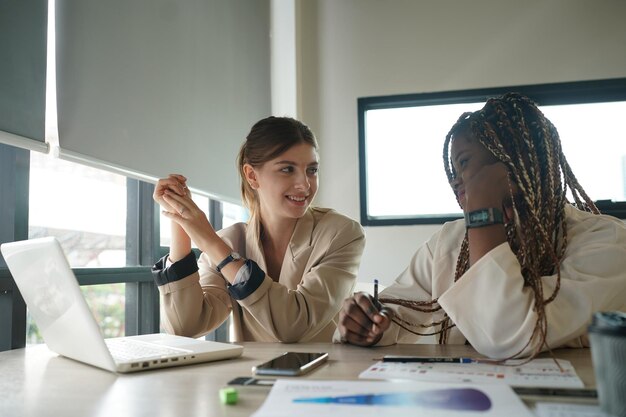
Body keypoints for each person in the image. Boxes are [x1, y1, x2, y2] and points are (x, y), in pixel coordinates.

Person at [336, 93, 626, 359]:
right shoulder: (447, 243)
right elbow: (400, 316)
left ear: (512, 158)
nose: (455, 179)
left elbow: (508, 336)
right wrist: (370, 324)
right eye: (452, 169)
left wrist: (484, 210)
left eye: (463, 162)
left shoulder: (607, 242)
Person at [152, 116, 365, 342]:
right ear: (252, 175)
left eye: (312, 170)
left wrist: (210, 242)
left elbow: (295, 325)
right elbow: (185, 326)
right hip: (252, 376)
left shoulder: (341, 234)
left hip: (326, 374)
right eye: (287, 169)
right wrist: (180, 221)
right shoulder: (231, 241)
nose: (304, 184)